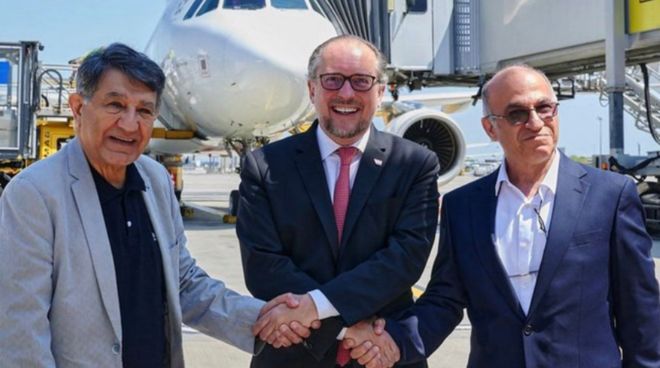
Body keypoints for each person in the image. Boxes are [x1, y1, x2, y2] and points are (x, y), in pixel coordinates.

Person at [0, 43, 306, 367]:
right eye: (115, 105)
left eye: (144, 111)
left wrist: (261, 318)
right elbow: (21, 334)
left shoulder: (155, 179)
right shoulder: (34, 194)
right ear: (78, 108)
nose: (130, 125)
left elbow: (183, 282)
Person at [383, 64, 660, 367]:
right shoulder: (463, 206)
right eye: (517, 114)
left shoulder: (610, 195)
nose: (536, 122)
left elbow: (640, 310)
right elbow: (444, 300)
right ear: (490, 128)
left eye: (545, 108)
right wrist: (393, 343)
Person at [236, 35, 440, 368]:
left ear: (381, 91)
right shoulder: (265, 166)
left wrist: (316, 307)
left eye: (361, 81)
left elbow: (406, 258)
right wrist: (348, 329)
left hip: (380, 356)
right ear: (312, 89)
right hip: (297, 353)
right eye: (333, 80)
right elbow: (263, 266)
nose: (346, 93)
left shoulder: (415, 164)